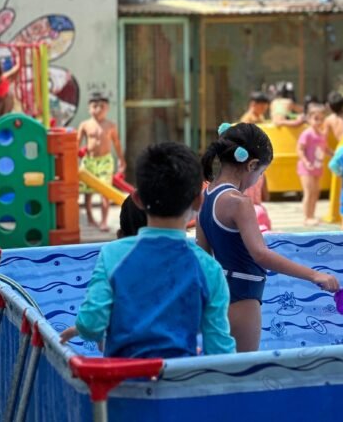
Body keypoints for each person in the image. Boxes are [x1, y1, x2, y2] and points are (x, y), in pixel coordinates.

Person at [60, 142, 236, 358]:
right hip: (180, 384)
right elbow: (219, 350)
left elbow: (91, 324)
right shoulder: (209, 268)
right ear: (199, 202)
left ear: (138, 199)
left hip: (121, 385)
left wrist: (84, 329)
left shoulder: (112, 255)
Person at [198, 122, 339, 352]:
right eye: (261, 172)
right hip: (243, 298)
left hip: (218, 295)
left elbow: (203, 252)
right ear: (251, 165)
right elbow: (260, 254)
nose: (259, 178)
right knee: (243, 373)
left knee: (221, 371)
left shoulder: (208, 193)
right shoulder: (239, 203)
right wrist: (314, 275)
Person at [78, 91, 125, 232]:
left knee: (106, 191)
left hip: (105, 161)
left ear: (107, 108)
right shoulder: (85, 125)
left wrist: (121, 160)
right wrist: (75, 158)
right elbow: (76, 143)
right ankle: (91, 218)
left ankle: (104, 221)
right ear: (89, 108)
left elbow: (116, 143)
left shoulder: (110, 125)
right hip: (89, 161)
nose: (98, 109)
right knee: (87, 192)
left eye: (102, 106)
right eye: (95, 106)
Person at [297, 104, 330, 226]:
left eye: (321, 119)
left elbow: (325, 149)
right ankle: (307, 217)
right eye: (316, 118)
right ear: (309, 119)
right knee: (309, 192)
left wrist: (334, 154)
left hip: (317, 167)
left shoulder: (321, 135)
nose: (319, 121)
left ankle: (312, 215)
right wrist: (306, 162)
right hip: (306, 168)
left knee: (316, 192)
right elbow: (300, 149)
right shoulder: (307, 134)